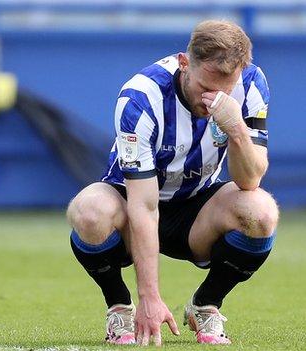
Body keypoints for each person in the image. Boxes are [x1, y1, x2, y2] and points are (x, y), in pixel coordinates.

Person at [66, 19, 278, 346]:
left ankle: (205, 305)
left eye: (225, 89)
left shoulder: (251, 84)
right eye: (206, 88)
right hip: (130, 203)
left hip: (196, 208)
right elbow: (144, 205)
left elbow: (250, 178)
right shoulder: (141, 97)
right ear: (184, 63)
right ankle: (119, 306)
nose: (214, 99)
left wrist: (236, 130)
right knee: (89, 210)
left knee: (261, 212)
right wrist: (150, 296)